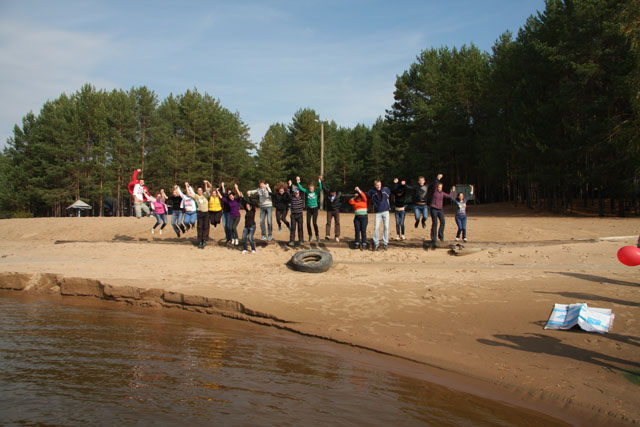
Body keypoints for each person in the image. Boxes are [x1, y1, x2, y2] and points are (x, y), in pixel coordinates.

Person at [428, 176, 455, 243]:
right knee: (435, 223)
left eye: (441, 187)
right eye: (439, 187)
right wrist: (438, 178)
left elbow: (449, 196)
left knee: (443, 222)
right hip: (433, 208)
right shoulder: (434, 191)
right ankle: (433, 238)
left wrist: (452, 191)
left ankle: (441, 236)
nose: (439, 188)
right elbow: (435, 183)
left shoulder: (442, 193)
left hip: (440, 209)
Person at [367, 180, 392, 251]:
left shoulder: (385, 189)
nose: (378, 186)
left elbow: (394, 190)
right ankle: (376, 243)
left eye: (379, 185)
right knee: (376, 228)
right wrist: (359, 191)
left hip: (386, 211)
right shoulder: (372, 192)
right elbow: (366, 194)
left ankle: (385, 243)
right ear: (375, 186)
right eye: (377, 185)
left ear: (381, 184)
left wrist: (395, 183)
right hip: (378, 212)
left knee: (386, 227)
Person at [296, 176, 322, 242]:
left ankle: (317, 235)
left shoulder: (316, 192)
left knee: (314, 223)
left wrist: (319, 181)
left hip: (315, 209)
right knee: (308, 223)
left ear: (313, 189)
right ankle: (310, 235)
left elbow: (320, 188)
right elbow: (301, 188)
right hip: (309, 209)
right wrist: (298, 182)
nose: (311, 190)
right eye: (310, 189)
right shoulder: (307, 192)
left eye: (312, 189)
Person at [187, 182, 211, 249]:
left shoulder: (205, 195)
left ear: (202, 191)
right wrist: (186, 186)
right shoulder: (196, 196)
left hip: (206, 213)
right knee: (200, 227)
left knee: (206, 226)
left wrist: (206, 183)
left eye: (201, 190)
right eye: (199, 190)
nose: (200, 191)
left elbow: (210, 187)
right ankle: (200, 241)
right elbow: (188, 194)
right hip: (200, 213)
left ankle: (204, 240)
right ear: (197, 191)